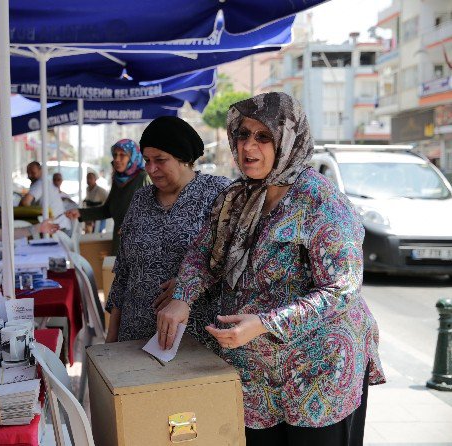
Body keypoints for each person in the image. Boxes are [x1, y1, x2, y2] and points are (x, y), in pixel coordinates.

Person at [157, 92, 385, 445]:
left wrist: (265, 323)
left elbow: (341, 289)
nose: (249, 146)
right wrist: (183, 297)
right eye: (243, 134)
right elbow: (203, 253)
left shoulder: (320, 200)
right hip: (255, 374)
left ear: (288, 141)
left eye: (263, 136)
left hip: (319, 373)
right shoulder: (237, 196)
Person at [106, 116, 231, 344]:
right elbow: (123, 271)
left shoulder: (218, 193)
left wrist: (191, 284)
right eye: (147, 160)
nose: (152, 169)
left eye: (160, 160)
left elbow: (234, 260)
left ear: (183, 158)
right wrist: (112, 337)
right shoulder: (141, 198)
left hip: (193, 340)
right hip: (133, 336)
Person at [66, 139, 149, 255]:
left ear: (133, 157)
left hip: (140, 247)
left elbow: (155, 213)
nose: (117, 159)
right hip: (119, 244)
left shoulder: (143, 179)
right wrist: (80, 213)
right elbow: (107, 210)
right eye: (115, 155)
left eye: (122, 155)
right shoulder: (118, 181)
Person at [19, 162, 72, 234]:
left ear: (40, 171)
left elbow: (25, 202)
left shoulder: (40, 183)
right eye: (28, 173)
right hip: (62, 226)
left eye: (33, 172)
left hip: (58, 229)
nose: (30, 175)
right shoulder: (46, 182)